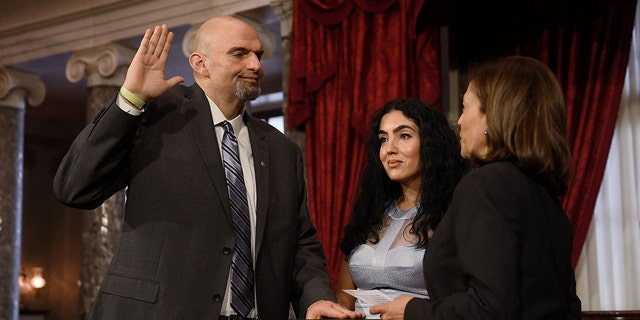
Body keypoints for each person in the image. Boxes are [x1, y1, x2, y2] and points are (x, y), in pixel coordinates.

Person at [53, 16, 364, 320]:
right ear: (200, 63)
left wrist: (316, 299)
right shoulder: (154, 117)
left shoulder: (283, 150)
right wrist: (131, 99)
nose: (255, 65)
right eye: (240, 54)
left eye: (258, 54)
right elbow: (74, 187)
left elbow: (300, 244)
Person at [369, 56, 583, 319]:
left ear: (493, 116)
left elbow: (490, 307)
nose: (458, 121)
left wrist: (412, 310)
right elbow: (568, 304)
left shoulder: (486, 185)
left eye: (465, 107)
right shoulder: (543, 191)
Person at [335, 99, 469, 318]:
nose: (389, 149)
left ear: (430, 143)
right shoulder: (369, 210)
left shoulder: (454, 211)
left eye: (404, 136)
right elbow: (343, 301)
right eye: (383, 139)